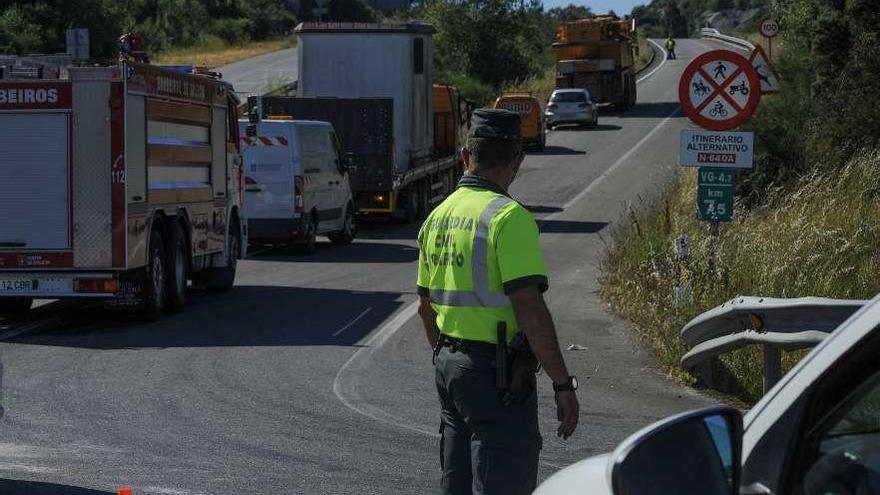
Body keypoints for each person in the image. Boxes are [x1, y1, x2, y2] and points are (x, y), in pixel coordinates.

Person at [416, 108, 580, 495]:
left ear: (465, 155)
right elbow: (529, 308)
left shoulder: (437, 217)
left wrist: (445, 357)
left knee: (456, 480)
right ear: (518, 160)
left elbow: (424, 307)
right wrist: (562, 383)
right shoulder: (509, 218)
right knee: (505, 475)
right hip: (496, 373)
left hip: (450, 365)